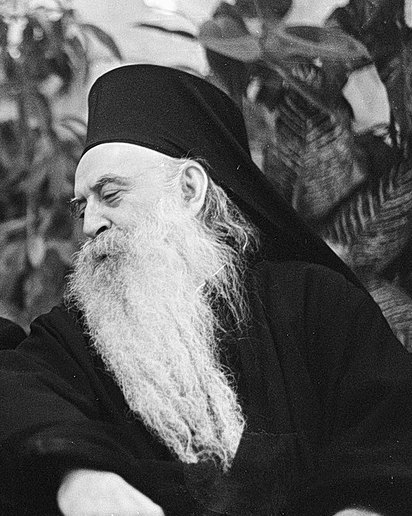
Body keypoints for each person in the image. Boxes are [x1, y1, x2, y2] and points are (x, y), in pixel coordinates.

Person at [0, 64, 412, 516]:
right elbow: (15, 391)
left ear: (190, 189)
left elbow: (391, 440)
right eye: (83, 207)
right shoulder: (76, 335)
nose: (90, 223)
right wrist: (79, 478)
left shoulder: (317, 304)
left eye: (110, 195)